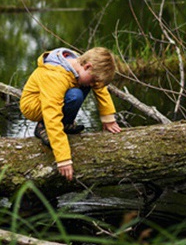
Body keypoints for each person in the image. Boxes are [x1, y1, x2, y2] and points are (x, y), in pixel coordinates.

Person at [19, 46, 122, 181]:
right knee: (75, 95)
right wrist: (63, 159)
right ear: (87, 67)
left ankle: (66, 123)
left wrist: (108, 118)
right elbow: (52, 113)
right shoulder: (54, 75)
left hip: (54, 99)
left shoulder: (80, 63)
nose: (93, 84)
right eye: (93, 80)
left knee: (82, 87)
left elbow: (100, 88)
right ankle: (42, 127)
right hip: (34, 106)